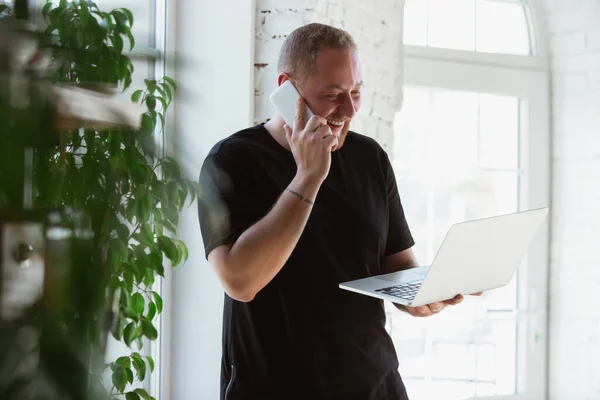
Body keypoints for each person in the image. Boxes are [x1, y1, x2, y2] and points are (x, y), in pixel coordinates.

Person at [198, 23, 475, 400]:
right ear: (287, 87)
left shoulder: (370, 157)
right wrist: (308, 176)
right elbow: (240, 281)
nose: (348, 110)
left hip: (376, 386)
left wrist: (424, 292)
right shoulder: (231, 160)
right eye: (332, 94)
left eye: (356, 93)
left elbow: (396, 264)